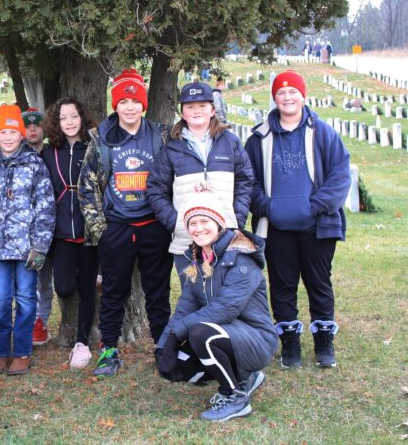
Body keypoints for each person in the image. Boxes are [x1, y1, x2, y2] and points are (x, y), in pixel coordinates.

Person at [245, 70, 350, 369]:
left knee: (319, 283)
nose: (287, 97)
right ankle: (290, 342)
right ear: (274, 98)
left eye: (293, 92)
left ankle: (323, 342)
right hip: (275, 227)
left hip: (317, 224)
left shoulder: (323, 133)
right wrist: (267, 206)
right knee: (282, 285)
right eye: (281, 92)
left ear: (303, 96)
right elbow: (247, 180)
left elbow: (339, 176)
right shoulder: (259, 138)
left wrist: (314, 206)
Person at [78, 68, 173, 378]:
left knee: (157, 291)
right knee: (114, 291)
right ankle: (108, 350)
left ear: (143, 104)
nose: (129, 107)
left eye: (135, 101)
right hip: (117, 226)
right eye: (123, 101)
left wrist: (168, 219)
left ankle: (162, 345)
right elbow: (87, 187)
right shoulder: (102, 139)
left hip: (153, 225)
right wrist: (101, 230)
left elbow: (173, 177)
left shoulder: (159, 135)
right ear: (115, 105)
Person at [156, 192, 277, 422]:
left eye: (205, 221)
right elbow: (185, 307)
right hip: (226, 333)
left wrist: (177, 334)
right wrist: (165, 346)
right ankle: (246, 378)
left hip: (257, 338)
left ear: (219, 223)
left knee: (200, 333)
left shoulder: (241, 257)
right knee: (180, 365)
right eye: (193, 223)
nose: (198, 228)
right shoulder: (199, 260)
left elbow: (225, 309)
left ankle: (235, 397)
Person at [0, 104, 55, 376]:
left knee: (27, 299)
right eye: (3, 132)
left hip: (27, 249)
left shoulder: (35, 165)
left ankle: (22, 351)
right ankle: (1, 351)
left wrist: (40, 246)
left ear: (21, 135)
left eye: (13, 132)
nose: (8, 137)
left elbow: (45, 206)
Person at [147, 82, 253, 286]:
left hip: (226, 236)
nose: (196, 111)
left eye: (202, 105)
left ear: (212, 109)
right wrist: (175, 222)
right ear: (182, 112)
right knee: (193, 296)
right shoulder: (172, 147)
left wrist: (236, 219)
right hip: (187, 238)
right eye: (190, 106)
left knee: (225, 295)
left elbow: (245, 181)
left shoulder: (230, 142)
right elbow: (156, 189)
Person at [40, 98, 98, 369]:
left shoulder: (94, 147)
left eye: (74, 116)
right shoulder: (50, 152)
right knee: (64, 287)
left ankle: (82, 343)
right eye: (64, 118)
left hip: (89, 231)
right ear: (57, 122)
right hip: (62, 232)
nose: (70, 122)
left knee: (88, 289)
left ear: (81, 117)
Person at [22, 107, 54, 345]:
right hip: (23, 229)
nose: (32, 129)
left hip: (52, 226)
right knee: (26, 279)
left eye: (36, 124)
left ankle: (41, 320)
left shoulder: (54, 153)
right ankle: (28, 319)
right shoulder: (15, 154)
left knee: (45, 280)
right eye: (27, 125)